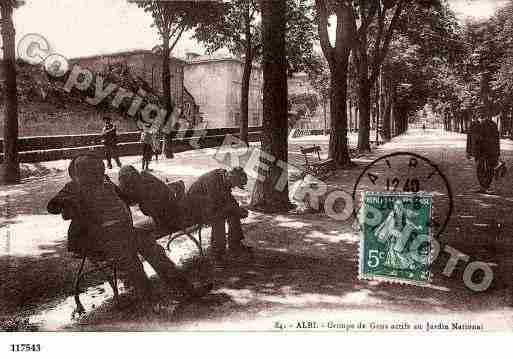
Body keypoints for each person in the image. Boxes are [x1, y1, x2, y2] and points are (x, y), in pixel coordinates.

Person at [47, 155, 212, 304]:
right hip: (98, 240)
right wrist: (72, 204)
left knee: (153, 249)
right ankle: (150, 301)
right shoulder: (75, 186)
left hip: (122, 232)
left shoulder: (105, 183)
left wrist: (146, 187)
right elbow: (53, 206)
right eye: (95, 171)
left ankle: (184, 291)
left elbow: (126, 198)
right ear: (84, 173)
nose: (100, 175)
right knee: (131, 261)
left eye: (100, 171)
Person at [185, 167, 251, 262]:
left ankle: (235, 244)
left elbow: (227, 197)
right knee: (219, 218)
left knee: (233, 213)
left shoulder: (225, 178)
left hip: (209, 206)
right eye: (235, 184)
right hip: (195, 209)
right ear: (231, 178)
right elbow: (214, 203)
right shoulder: (212, 180)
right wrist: (233, 208)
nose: (233, 187)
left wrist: (237, 209)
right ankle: (217, 253)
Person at [474, 117, 500, 192]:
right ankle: (484, 186)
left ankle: (486, 186)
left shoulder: (492, 125)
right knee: (482, 169)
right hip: (484, 151)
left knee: (488, 169)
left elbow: (496, 139)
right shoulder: (478, 125)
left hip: (489, 151)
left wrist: (497, 153)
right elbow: (475, 140)